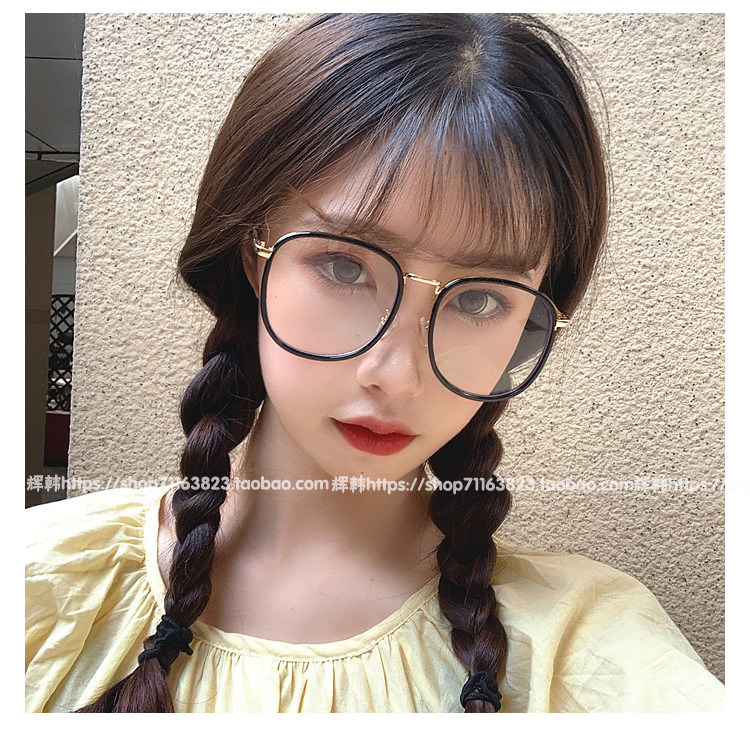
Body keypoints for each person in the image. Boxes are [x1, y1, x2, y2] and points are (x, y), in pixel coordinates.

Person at [25, 13, 724, 713]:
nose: (397, 375)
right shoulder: (42, 580)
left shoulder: (588, 649)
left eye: (480, 299)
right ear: (253, 256)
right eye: (343, 266)